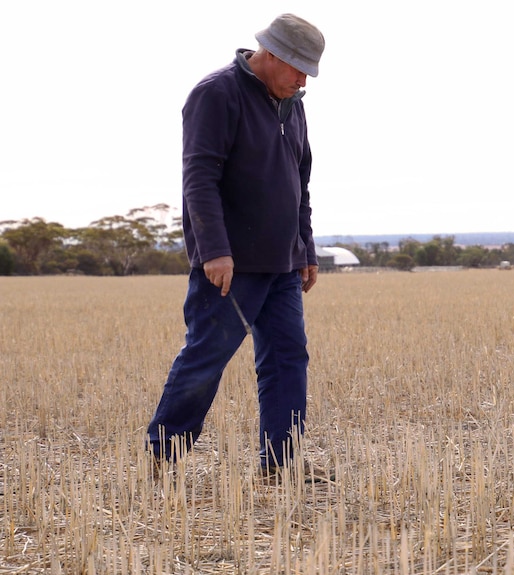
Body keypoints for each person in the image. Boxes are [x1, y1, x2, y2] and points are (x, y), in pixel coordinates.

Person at [146, 14, 330, 482]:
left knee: (288, 358)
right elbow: (199, 178)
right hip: (231, 263)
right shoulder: (216, 94)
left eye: (308, 71)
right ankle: (163, 457)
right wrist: (214, 250)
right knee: (207, 356)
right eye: (297, 68)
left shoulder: (293, 104)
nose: (302, 79)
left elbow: (300, 185)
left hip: (283, 263)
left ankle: (280, 464)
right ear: (270, 54)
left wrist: (305, 248)